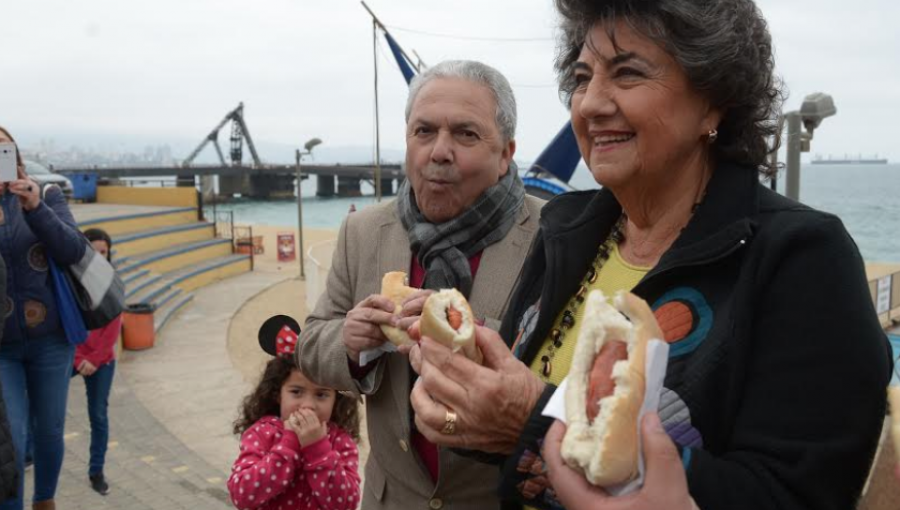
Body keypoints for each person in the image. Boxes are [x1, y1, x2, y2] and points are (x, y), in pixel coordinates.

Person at [406, 1, 894, 509]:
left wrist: (534, 419)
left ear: (713, 99)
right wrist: (467, 402)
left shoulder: (802, 259)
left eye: (628, 73)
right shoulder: (566, 230)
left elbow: (792, 494)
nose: (590, 103)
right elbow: (514, 431)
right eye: (582, 77)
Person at [299, 59, 543, 509]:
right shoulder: (364, 231)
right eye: (424, 131)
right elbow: (311, 343)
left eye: (466, 134)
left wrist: (462, 331)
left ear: (506, 152)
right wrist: (354, 346)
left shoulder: (551, 238)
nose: (439, 151)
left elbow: (561, 379)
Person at [0, 126, 87, 510]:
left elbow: (73, 249)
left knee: (49, 431)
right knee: (12, 442)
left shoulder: (46, 195)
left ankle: (45, 501)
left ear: (15, 155)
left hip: (51, 338)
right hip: (2, 347)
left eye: (3, 151)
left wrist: (35, 208)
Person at [228, 315, 361, 510]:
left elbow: (346, 504)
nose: (307, 405)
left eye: (321, 395)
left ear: (337, 399)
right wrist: (287, 446)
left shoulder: (340, 442)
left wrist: (318, 449)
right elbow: (242, 494)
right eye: (296, 392)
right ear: (277, 394)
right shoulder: (262, 434)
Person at [71, 228, 121, 496]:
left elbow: (112, 328)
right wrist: (78, 358)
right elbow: (68, 320)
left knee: (98, 416)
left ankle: (96, 471)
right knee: (41, 402)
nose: (101, 256)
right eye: (95, 251)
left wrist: (93, 359)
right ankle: (29, 452)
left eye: (105, 252)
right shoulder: (72, 279)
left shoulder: (112, 281)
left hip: (101, 359)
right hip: (74, 355)